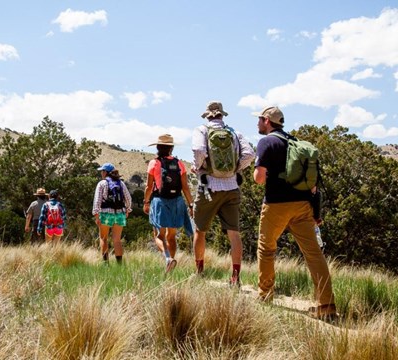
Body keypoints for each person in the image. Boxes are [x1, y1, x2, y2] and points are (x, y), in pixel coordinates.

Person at [252, 106, 337, 320]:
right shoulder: (294, 142)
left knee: (266, 248)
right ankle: (326, 304)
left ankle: (265, 296)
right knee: (313, 254)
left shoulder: (266, 142)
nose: (258, 124)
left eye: (259, 120)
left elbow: (259, 178)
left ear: (267, 121)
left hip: (276, 205)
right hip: (302, 205)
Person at [191, 101, 255, 286]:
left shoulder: (201, 131)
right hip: (232, 188)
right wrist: (236, 168)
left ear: (207, 115)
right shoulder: (235, 133)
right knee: (234, 233)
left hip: (208, 186)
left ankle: (200, 271)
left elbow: (198, 150)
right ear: (222, 115)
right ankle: (235, 277)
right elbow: (249, 154)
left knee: (200, 230)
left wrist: (198, 166)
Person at [143, 134, 194, 273]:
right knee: (171, 236)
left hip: (159, 201)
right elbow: (185, 187)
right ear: (171, 148)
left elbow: (148, 187)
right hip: (177, 201)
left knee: (159, 235)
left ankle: (168, 259)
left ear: (158, 147)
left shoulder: (154, 163)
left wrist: (146, 202)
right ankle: (170, 265)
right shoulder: (179, 163)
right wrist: (190, 205)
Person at [92, 162, 133, 264]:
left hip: (105, 214)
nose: (101, 173)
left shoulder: (101, 183)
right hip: (120, 214)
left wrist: (96, 215)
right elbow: (128, 199)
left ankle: (106, 264)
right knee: (117, 240)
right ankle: (119, 264)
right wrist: (127, 210)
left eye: (102, 171)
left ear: (106, 172)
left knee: (103, 238)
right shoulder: (121, 183)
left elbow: (97, 200)